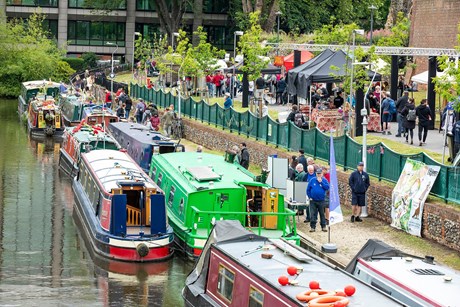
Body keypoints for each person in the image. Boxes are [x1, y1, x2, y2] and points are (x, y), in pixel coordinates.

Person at [307, 168, 329, 232]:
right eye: (317, 173)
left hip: (321, 200)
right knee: (313, 214)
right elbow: (308, 189)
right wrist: (309, 196)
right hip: (313, 200)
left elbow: (327, 187)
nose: (319, 175)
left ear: (322, 174)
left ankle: (323, 226)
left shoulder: (324, 180)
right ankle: (313, 227)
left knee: (322, 214)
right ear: (316, 174)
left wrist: (321, 182)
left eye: (320, 173)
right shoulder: (312, 180)